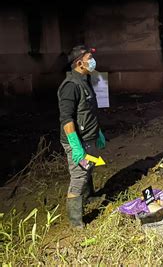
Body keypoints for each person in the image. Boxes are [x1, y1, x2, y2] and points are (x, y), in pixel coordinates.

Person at [58, 45, 107, 228]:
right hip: (78, 141)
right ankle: (75, 222)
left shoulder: (84, 80)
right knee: (79, 177)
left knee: (89, 168)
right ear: (79, 63)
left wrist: (97, 132)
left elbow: (88, 112)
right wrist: (75, 145)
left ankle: (89, 198)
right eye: (89, 57)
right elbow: (67, 119)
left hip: (89, 137)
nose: (92, 61)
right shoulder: (70, 87)